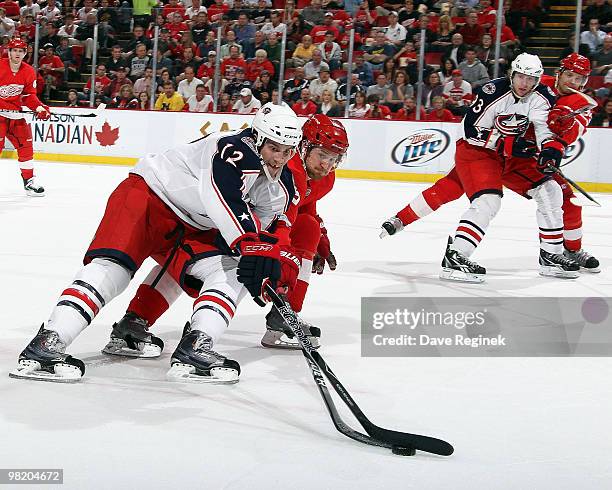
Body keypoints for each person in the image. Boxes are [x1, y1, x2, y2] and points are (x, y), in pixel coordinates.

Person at [10, 103, 303, 383]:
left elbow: (264, 230)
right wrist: (251, 245)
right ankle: (48, 343)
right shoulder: (232, 148)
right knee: (113, 271)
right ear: (258, 138)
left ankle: (195, 345)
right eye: (273, 148)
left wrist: (265, 260)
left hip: (191, 226)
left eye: (287, 151)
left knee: (231, 270)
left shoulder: (282, 183)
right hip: (147, 198)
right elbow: (222, 197)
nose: (279, 158)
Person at [100, 114, 350, 353]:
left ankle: (284, 315)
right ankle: (150, 320)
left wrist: (320, 237)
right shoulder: (285, 164)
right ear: (304, 146)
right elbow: (271, 214)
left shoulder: (324, 178)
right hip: (222, 218)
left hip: (246, 221)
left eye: (335, 158)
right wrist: (279, 252)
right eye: (323, 155)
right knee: (199, 260)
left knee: (308, 229)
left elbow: (303, 208)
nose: (328, 165)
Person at [381, 54, 597, 280]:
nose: (525, 84)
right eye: (569, 75)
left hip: (520, 158)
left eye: (579, 78)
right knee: (479, 196)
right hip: (481, 151)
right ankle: (451, 252)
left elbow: (546, 129)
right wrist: (507, 143)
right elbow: (471, 130)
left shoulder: (555, 97)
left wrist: (551, 150)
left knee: (554, 192)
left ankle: (554, 255)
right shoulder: (495, 91)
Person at [0, 38, 50, 196]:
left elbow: (29, 96)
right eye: (14, 50)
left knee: (26, 147)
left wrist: (39, 107)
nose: (17, 53)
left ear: (25, 54)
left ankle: (29, 182)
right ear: (8, 52)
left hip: (15, 115)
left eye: (20, 51)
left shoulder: (28, 71)